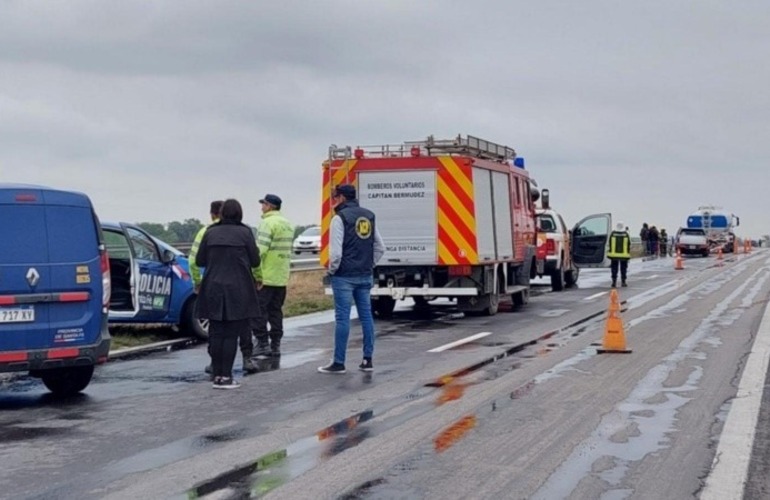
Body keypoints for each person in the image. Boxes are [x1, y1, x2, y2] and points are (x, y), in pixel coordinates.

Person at [318, 184, 385, 374]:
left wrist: (332, 270)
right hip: (364, 275)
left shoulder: (339, 219)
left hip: (344, 276)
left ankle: (339, 362)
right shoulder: (368, 216)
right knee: (366, 316)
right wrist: (368, 264)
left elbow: (336, 253)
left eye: (334, 197)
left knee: (342, 318)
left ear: (341, 198)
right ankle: (367, 359)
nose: (332, 201)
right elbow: (380, 247)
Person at [195, 199, 261, 389]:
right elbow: (255, 261)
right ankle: (226, 377)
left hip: (213, 286)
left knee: (216, 333)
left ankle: (217, 375)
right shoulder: (245, 232)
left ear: (222, 213)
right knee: (231, 334)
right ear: (240, 213)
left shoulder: (210, 232)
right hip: (238, 288)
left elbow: (200, 260)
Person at [253, 194, 294, 357]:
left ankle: (262, 343)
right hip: (281, 276)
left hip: (266, 276)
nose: (261, 207)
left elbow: (260, 251)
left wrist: (254, 272)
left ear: (269, 206)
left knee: (259, 311)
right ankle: (276, 344)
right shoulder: (288, 224)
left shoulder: (267, 223)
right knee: (276, 311)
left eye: (263, 204)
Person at [608, 221, 631, 288]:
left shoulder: (612, 234)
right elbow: (629, 244)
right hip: (624, 255)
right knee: (623, 269)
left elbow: (609, 243)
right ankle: (623, 282)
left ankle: (614, 282)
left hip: (614, 255)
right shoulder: (626, 234)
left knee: (614, 268)